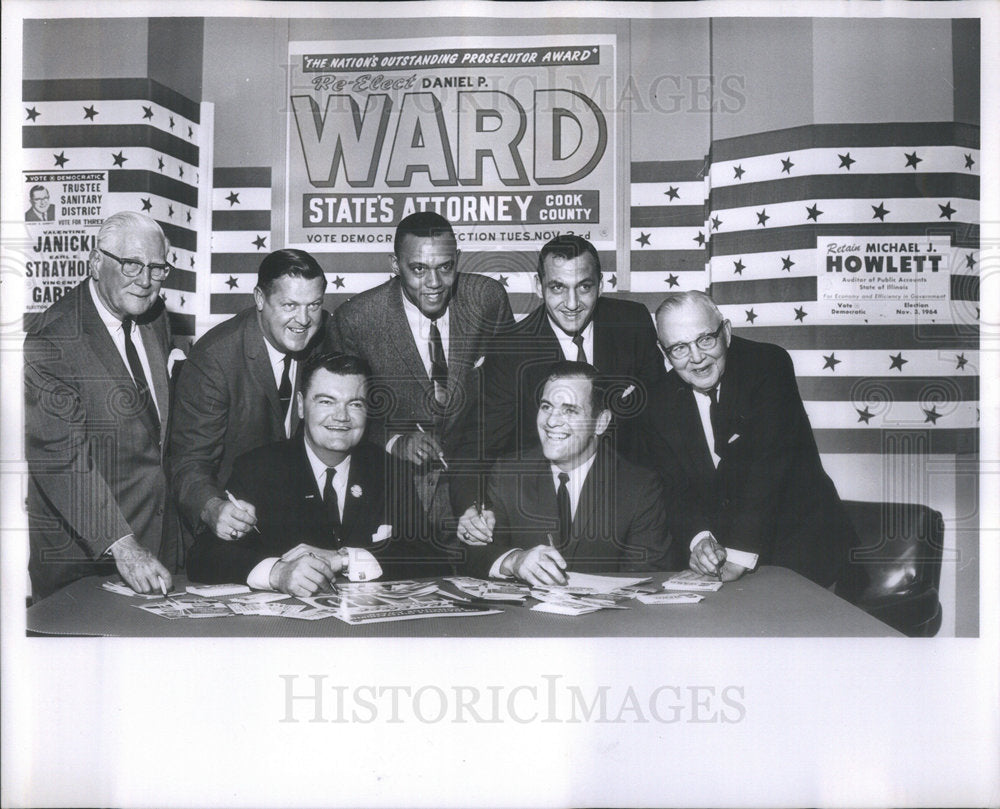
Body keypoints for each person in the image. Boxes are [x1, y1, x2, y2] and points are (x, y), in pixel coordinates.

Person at [186, 353, 451, 595]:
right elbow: (204, 556)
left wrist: (344, 558)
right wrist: (278, 573)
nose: (341, 417)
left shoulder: (389, 469)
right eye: (326, 401)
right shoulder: (259, 468)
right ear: (301, 406)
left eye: (354, 404)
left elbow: (431, 556)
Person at [645, 290, 857, 586]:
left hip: (804, 552)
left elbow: (767, 469)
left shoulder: (768, 366)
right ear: (663, 350)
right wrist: (700, 541)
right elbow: (675, 488)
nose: (696, 358)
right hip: (723, 563)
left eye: (706, 339)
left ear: (727, 332)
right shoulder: (659, 400)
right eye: (679, 348)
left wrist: (738, 554)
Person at [327, 211, 514, 536]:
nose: (434, 283)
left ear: (458, 259)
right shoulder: (356, 319)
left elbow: (508, 397)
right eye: (418, 269)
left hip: (477, 491)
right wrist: (394, 441)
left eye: (445, 267)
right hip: (395, 494)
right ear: (395, 264)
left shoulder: (487, 299)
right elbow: (339, 410)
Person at [25, 211, 179, 599]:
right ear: (96, 263)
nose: (144, 281)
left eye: (157, 268)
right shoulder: (53, 339)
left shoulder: (153, 316)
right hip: (85, 561)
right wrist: (123, 546)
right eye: (131, 265)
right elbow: (60, 458)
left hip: (156, 548)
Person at [456, 362, 670, 586]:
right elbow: (473, 557)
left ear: (600, 422)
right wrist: (515, 560)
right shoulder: (508, 473)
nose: (551, 421)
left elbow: (648, 578)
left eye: (570, 410)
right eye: (547, 407)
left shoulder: (638, 486)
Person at [170, 249, 327, 542]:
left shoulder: (325, 338)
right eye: (290, 305)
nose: (304, 319)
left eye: (314, 305)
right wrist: (212, 507)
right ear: (259, 299)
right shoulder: (214, 359)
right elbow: (188, 463)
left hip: (301, 527)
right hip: (234, 529)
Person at [478, 234, 664, 465]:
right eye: (558, 287)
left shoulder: (632, 322)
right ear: (539, 286)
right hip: (547, 489)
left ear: (601, 284)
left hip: (627, 484)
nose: (573, 304)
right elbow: (486, 444)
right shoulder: (508, 350)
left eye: (584, 287)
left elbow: (661, 419)